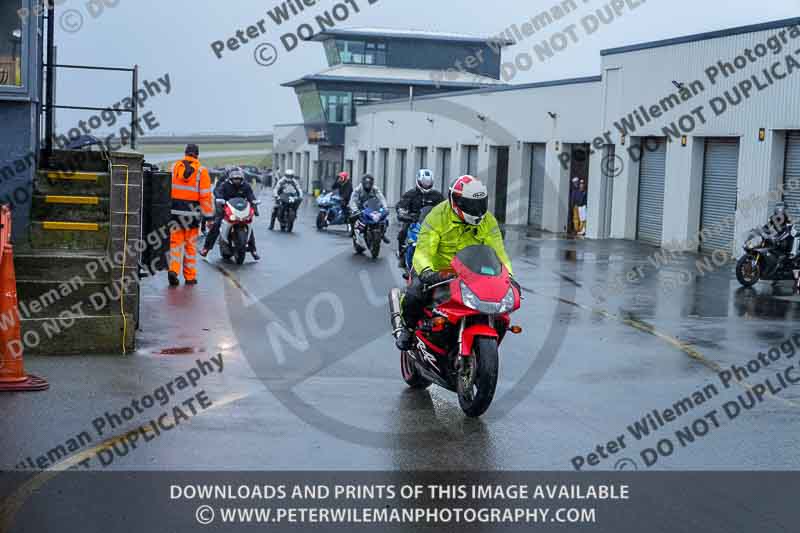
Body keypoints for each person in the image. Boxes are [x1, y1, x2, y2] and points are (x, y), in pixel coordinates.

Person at [395, 175, 514, 350]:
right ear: (456, 201)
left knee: (497, 306)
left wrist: (508, 276)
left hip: (472, 273)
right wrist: (427, 271)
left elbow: (499, 252)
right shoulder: (437, 217)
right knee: (414, 294)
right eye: (472, 205)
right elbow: (423, 250)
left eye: (480, 204)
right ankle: (408, 329)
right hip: (438, 272)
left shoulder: (488, 220)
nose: (477, 210)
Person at [168, 144, 213, 286]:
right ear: (197, 155)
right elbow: (205, 196)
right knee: (190, 247)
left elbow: (166, 188)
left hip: (174, 213)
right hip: (192, 215)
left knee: (175, 244)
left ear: (185, 153)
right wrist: (208, 217)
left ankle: (173, 270)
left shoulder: (174, 167)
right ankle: (189, 277)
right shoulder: (201, 171)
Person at [200, 167, 260, 260]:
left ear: (242, 179)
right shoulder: (225, 185)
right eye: (235, 179)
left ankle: (253, 250)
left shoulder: (246, 186)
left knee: (248, 224)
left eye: (239, 179)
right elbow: (217, 191)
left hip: (241, 209)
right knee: (216, 224)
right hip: (225, 208)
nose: (237, 181)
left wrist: (254, 201)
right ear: (231, 179)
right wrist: (219, 198)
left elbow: (250, 195)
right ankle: (206, 248)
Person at [396, 169, 445, 267]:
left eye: (428, 182)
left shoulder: (437, 195)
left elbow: (445, 207)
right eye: (424, 182)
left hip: (432, 223)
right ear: (418, 181)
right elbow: (401, 206)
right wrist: (403, 213)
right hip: (413, 221)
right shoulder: (410, 194)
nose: (426, 185)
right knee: (403, 231)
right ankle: (401, 253)